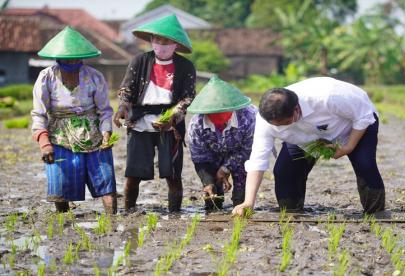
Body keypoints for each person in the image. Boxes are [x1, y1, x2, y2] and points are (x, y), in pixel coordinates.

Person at [232, 77, 385, 215]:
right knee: (285, 172)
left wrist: (348, 147)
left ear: (296, 110)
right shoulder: (266, 121)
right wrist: (248, 202)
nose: (279, 129)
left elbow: (364, 115)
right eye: (276, 126)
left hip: (352, 126)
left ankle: (376, 214)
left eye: (285, 123)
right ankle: (292, 211)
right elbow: (258, 159)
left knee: (365, 166)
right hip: (306, 138)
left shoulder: (329, 97)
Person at [113, 14, 196, 212]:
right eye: (157, 40)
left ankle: (174, 214)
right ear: (151, 41)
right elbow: (127, 89)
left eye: (166, 41)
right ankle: (128, 211)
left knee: (173, 175)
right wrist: (123, 107)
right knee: (133, 175)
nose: (161, 44)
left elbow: (188, 98)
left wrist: (172, 118)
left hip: (170, 125)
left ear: (175, 44)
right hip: (139, 122)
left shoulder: (185, 66)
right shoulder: (140, 61)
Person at [31, 26, 117, 213]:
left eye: (75, 58)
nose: (71, 61)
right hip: (59, 135)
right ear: (58, 58)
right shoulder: (46, 77)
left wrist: (106, 133)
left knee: (105, 179)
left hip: (93, 133)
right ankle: (63, 220)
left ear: (82, 57)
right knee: (61, 185)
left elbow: (104, 111)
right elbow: (39, 113)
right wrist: (44, 143)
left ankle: (113, 220)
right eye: (67, 58)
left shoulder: (94, 77)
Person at [187, 76, 256, 209]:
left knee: (241, 198)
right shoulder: (196, 125)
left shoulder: (249, 117)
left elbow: (248, 150)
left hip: (241, 154)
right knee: (212, 198)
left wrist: (226, 168)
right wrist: (208, 182)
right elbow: (200, 158)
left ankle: (241, 208)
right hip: (213, 155)